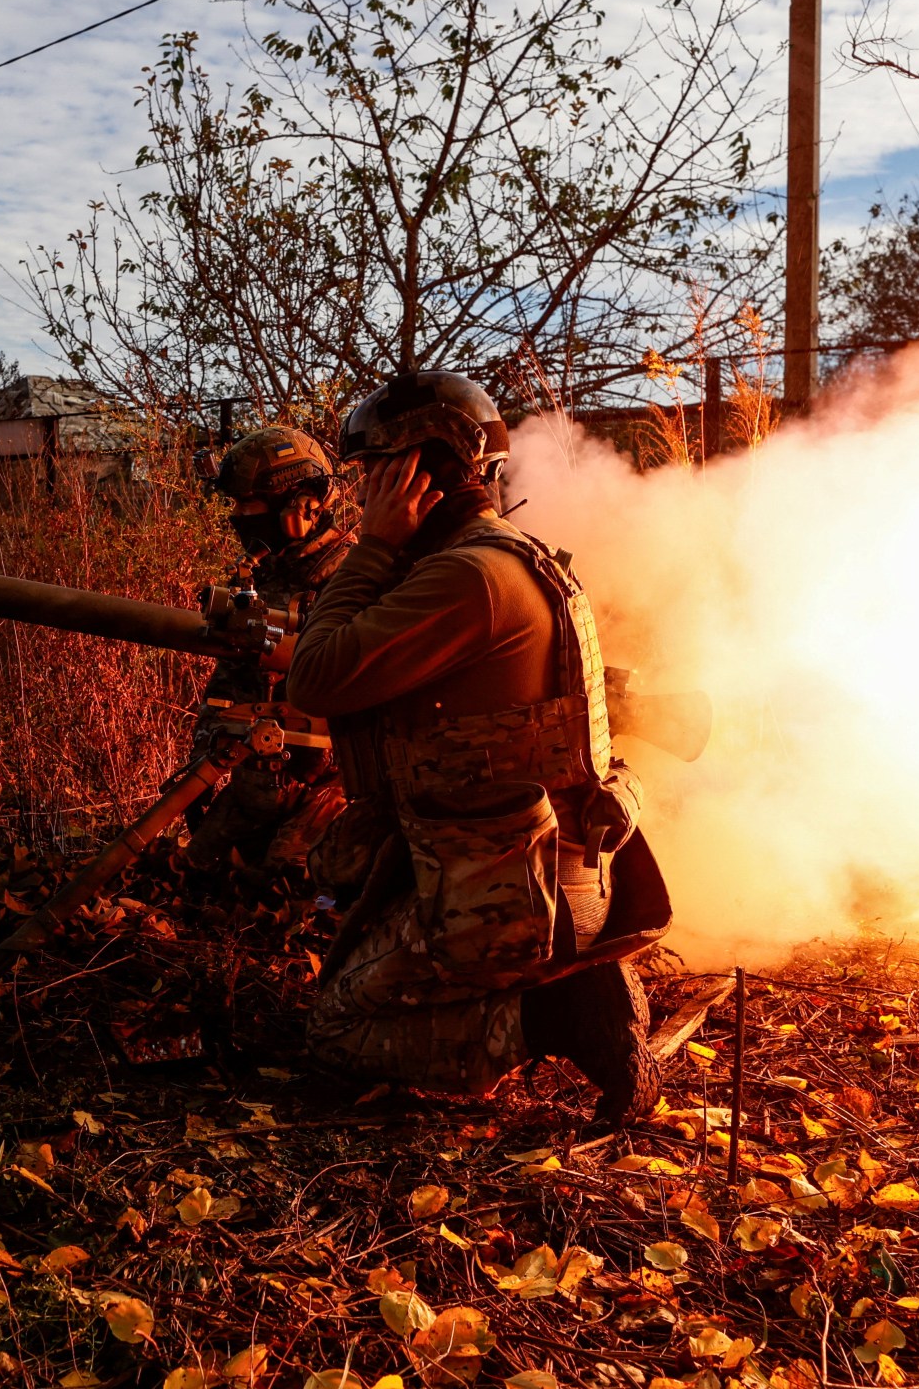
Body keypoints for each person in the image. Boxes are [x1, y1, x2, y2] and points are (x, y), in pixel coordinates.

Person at [284, 371, 671, 1125]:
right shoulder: (503, 557)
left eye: (372, 475)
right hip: (537, 876)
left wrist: (373, 548)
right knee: (352, 955)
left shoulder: (467, 578)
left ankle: (562, 1016)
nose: (362, 495)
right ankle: (550, 988)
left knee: (336, 1028)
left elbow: (316, 676)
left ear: (414, 473)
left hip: (512, 899)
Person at [182, 427, 353, 878]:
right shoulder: (266, 577)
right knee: (190, 872)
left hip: (327, 791)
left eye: (247, 505)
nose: (238, 517)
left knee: (288, 885)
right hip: (255, 786)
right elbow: (228, 686)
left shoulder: (356, 579)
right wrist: (202, 759)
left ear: (301, 507)